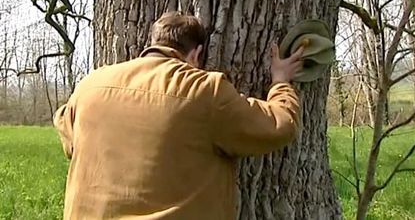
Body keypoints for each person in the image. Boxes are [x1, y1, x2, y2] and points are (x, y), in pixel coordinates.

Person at [53, 11, 304, 220]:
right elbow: (278, 125)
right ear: (196, 54)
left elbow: (64, 123)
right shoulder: (205, 90)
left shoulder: (91, 84)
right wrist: (281, 83)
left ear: (152, 44)